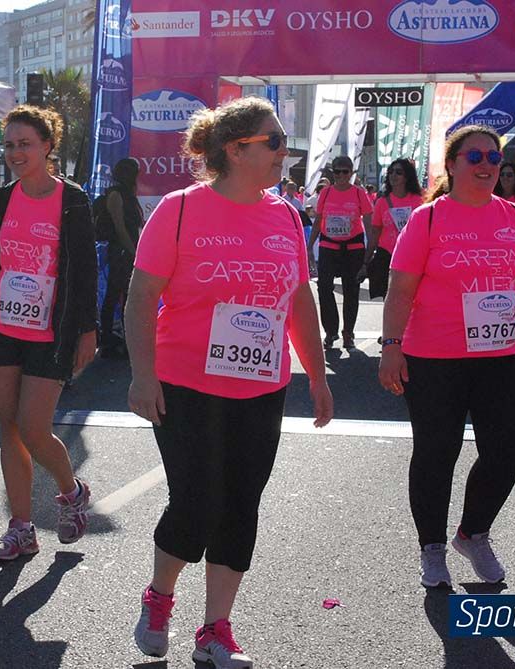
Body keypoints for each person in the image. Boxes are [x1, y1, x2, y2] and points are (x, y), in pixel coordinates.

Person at [126, 96, 333, 668]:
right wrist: (143, 376)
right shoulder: (180, 209)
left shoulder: (286, 214)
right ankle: (160, 595)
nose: (283, 152)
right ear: (236, 149)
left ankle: (216, 629)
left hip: (260, 386)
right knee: (195, 502)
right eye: (273, 142)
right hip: (186, 380)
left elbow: (298, 299)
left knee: (241, 504)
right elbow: (141, 297)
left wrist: (316, 376)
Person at [379, 125, 515, 589]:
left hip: (501, 355)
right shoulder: (428, 219)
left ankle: (473, 533)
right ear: (452, 164)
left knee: (508, 450)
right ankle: (432, 547)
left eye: (494, 159)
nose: (486, 166)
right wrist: (391, 348)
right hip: (434, 357)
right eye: (474, 157)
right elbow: (400, 288)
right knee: (438, 453)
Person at [0, 104, 97, 561]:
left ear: (47, 146)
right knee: (9, 427)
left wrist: (88, 330)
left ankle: (71, 490)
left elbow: (84, 271)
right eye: (10, 145)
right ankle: (21, 527)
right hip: (4, 327)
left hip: (52, 330)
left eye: (25, 144)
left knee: (33, 427)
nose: (16, 152)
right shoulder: (0, 200)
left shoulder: (73, 199)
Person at [310, 155, 374, 349]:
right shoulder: (326, 193)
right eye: (337, 172)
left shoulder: (358, 193)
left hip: (353, 247)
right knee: (324, 287)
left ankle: (348, 332)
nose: (340, 176)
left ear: (351, 173)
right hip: (328, 245)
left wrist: (370, 251)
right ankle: (330, 331)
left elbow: (369, 224)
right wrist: (309, 246)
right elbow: (319, 220)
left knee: (350, 290)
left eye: (344, 172)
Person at [98, 158, 144, 359]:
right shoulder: (116, 195)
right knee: (114, 295)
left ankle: (127, 341)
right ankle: (107, 340)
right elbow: (120, 228)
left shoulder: (128, 193)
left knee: (126, 296)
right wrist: (134, 253)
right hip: (121, 253)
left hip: (128, 251)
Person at [363, 158, 423, 300]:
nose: (393, 176)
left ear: (407, 176)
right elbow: (375, 232)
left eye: (398, 172)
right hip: (388, 256)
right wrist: (366, 259)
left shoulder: (420, 200)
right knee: (390, 298)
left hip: (413, 255)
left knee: (413, 298)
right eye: (390, 172)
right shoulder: (382, 202)